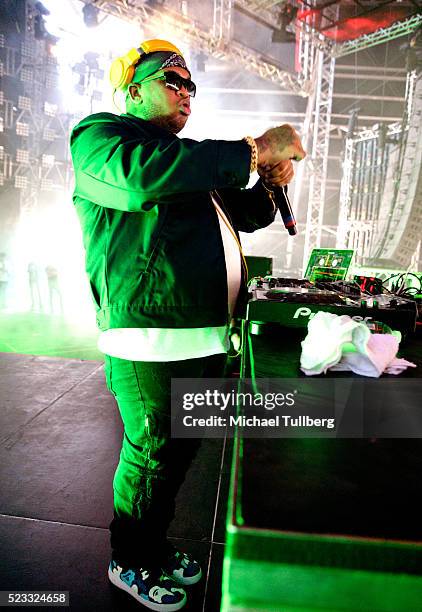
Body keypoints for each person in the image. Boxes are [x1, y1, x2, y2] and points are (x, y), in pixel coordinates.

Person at [70, 39, 305, 611]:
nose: (186, 93)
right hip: (148, 336)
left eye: (191, 86)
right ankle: (129, 558)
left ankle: (152, 544)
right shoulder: (102, 139)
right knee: (151, 453)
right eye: (172, 80)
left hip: (201, 336)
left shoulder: (186, 161)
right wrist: (251, 150)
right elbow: (140, 180)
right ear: (133, 91)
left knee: (177, 456)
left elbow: (244, 213)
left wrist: (271, 179)